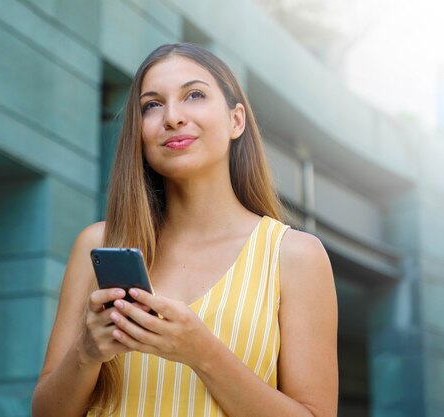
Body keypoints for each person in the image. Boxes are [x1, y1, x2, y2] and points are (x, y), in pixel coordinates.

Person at [31, 43, 338, 417]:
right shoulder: (98, 244)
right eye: (152, 105)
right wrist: (87, 351)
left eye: (194, 95)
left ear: (236, 120)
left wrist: (202, 352)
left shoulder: (294, 256)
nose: (172, 117)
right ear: (139, 133)